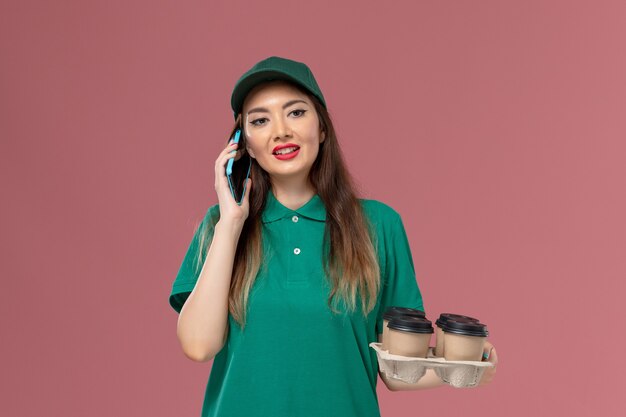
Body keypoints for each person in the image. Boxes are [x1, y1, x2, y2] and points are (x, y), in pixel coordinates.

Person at [168, 56, 498, 417]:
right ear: (242, 144)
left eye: (295, 113)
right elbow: (199, 346)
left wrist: (467, 368)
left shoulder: (379, 225)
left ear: (322, 129)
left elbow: (398, 369)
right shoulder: (220, 227)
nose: (280, 130)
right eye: (260, 120)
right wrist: (231, 223)